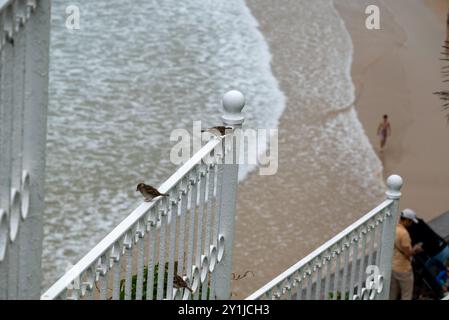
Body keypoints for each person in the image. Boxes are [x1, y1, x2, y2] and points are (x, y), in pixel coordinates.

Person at [390, 210, 423, 300]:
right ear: (407, 220)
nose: (411, 224)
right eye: (411, 221)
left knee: (391, 294)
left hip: (393, 265)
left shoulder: (393, 228)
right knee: (406, 294)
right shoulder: (404, 234)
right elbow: (408, 253)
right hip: (403, 268)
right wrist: (416, 249)